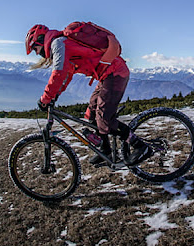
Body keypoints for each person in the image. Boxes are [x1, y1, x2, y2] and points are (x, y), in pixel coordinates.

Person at [25, 23, 153, 166]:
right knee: (90, 115)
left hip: (115, 73)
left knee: (104, 118)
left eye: (35, 48)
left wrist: (45, 98)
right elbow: (67, 74)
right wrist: (55, 95)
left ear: (40, 40)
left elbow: (58, 73)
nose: (37, 53)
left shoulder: (58, 44)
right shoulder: (62, 44)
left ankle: (140, 146)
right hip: (106, 76)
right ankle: (105, 150)